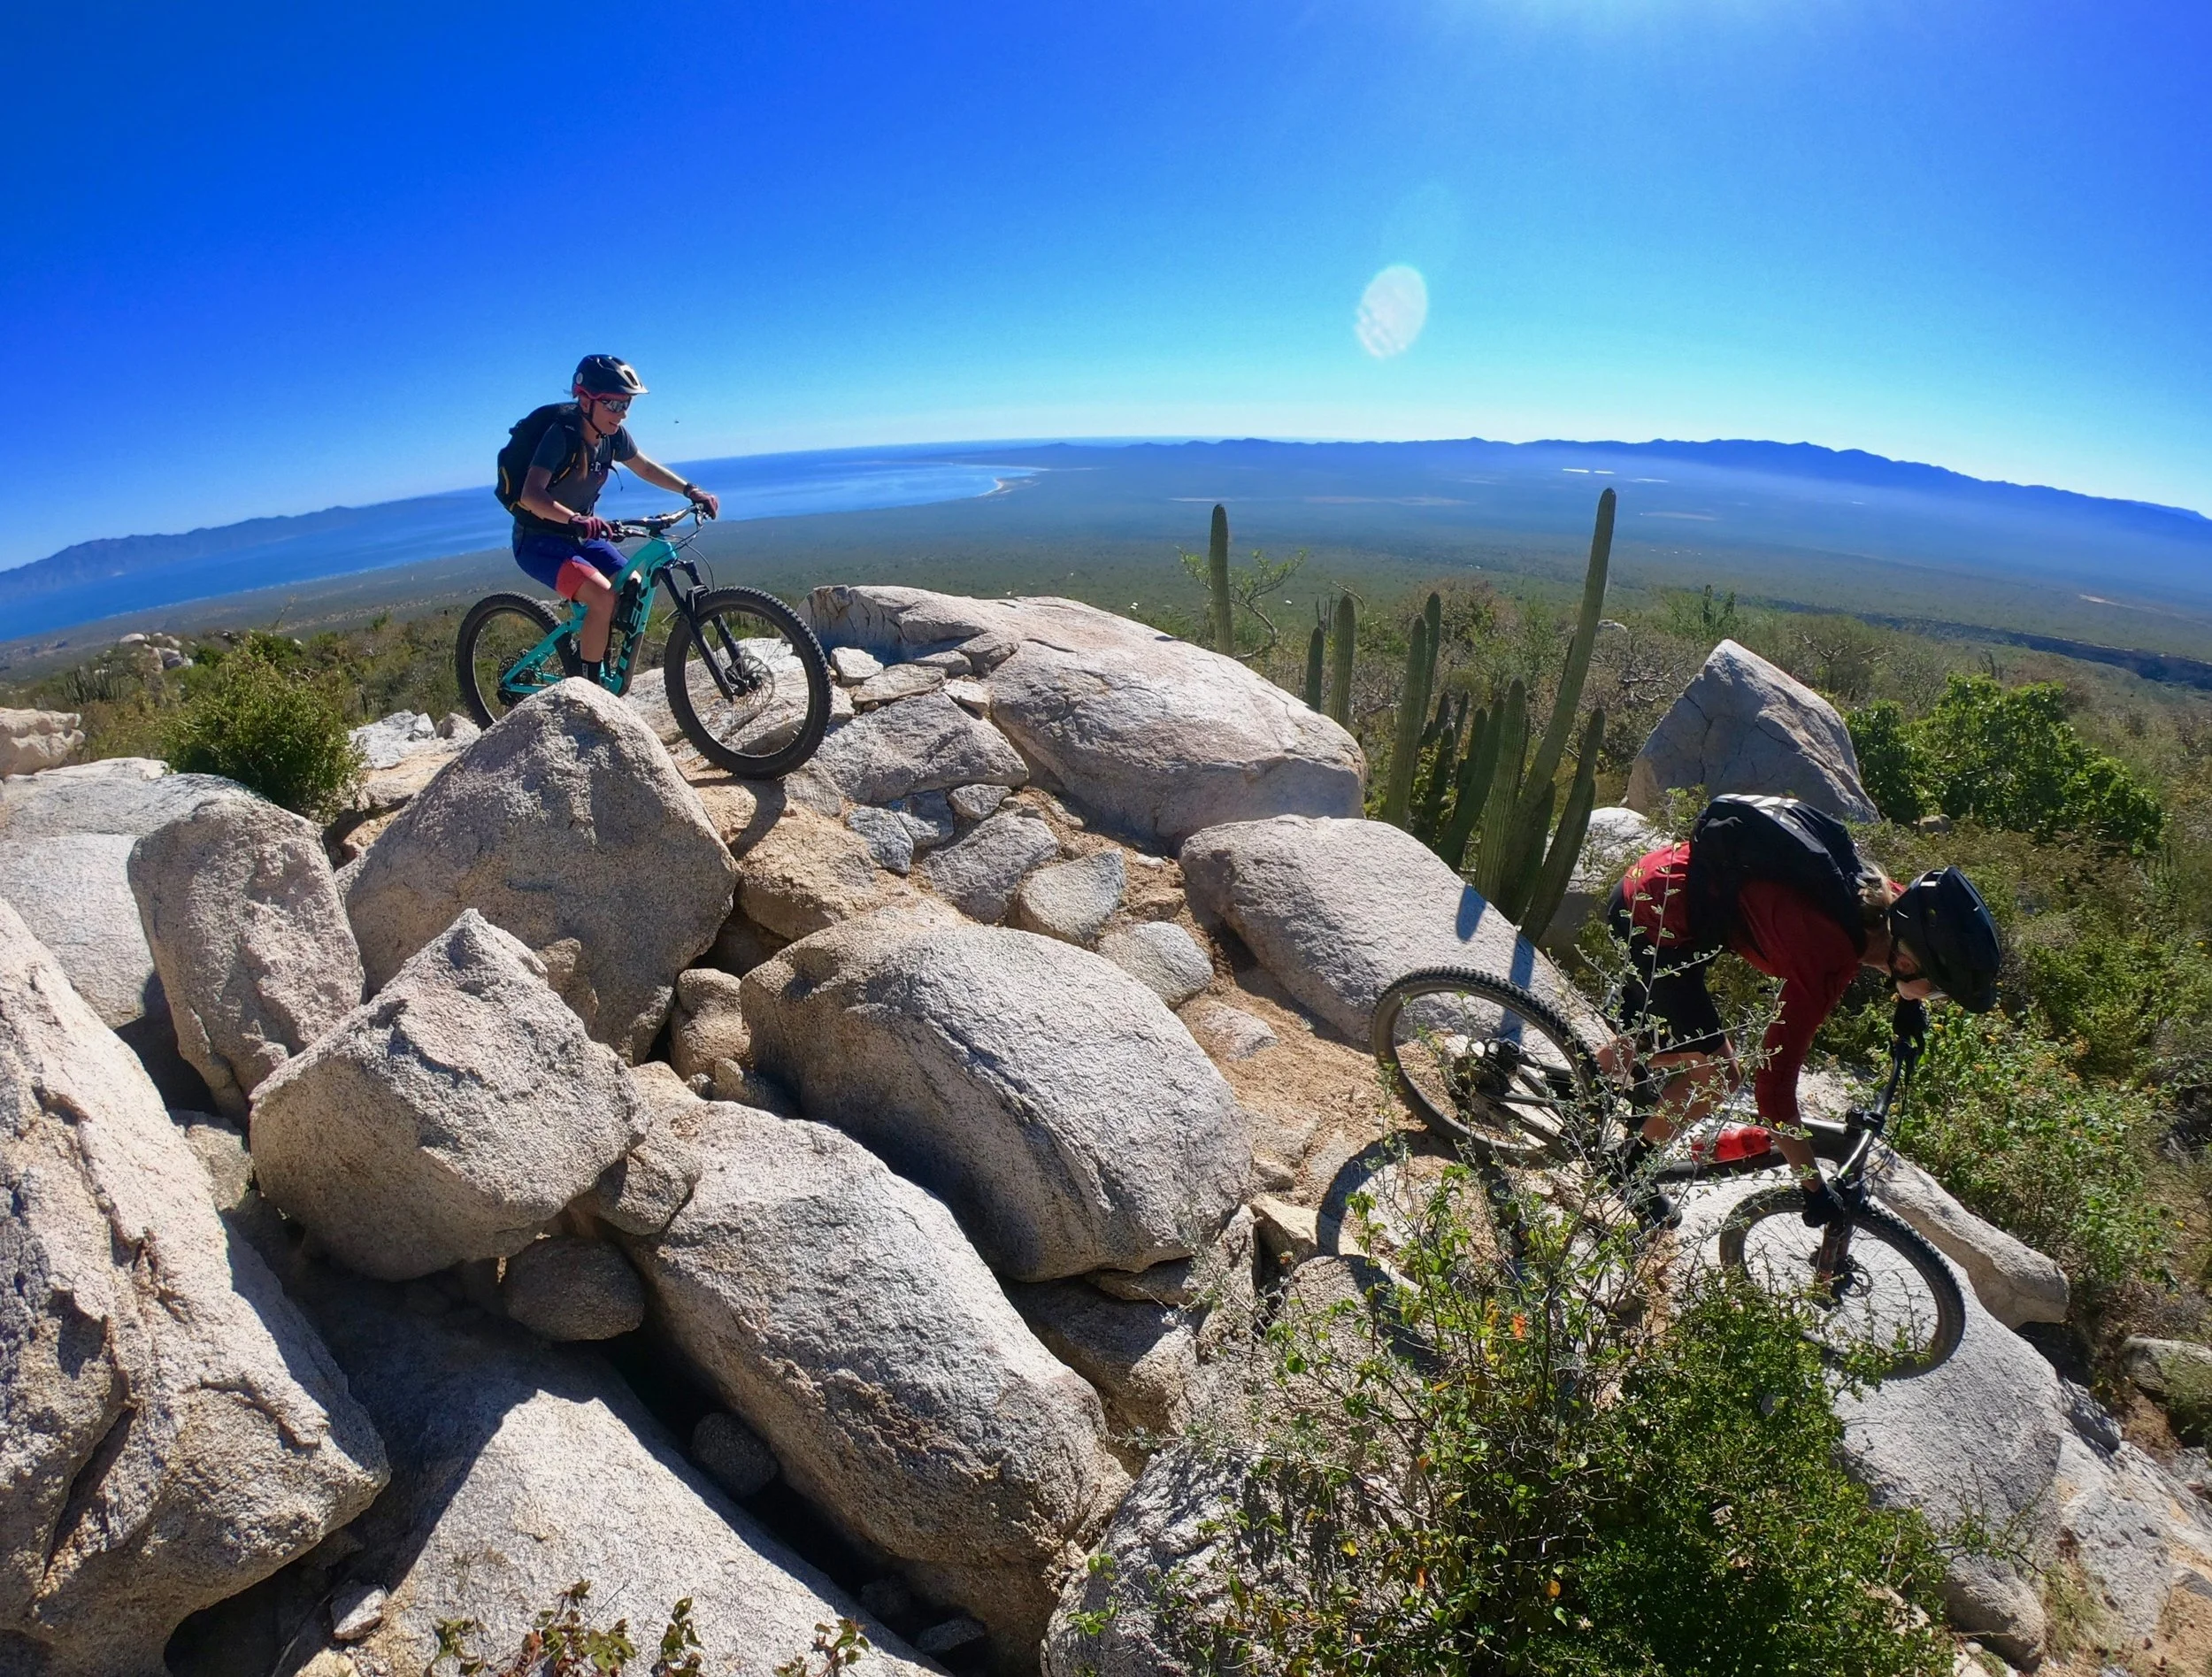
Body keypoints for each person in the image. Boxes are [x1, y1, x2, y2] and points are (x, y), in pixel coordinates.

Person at [1600, 794, 2001, 1229]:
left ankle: (1582, 1075)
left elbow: (1902, 947)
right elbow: (1772, 1098)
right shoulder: (1827, 956)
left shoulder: (1881, 900)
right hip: (1656, 918)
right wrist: (1813, 1188)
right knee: (1719, 1076)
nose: (1930, 999)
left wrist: (1906, 1000)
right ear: (1906, 961)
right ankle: (1627, 1168)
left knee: (1677, 1036)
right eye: (1935, 992)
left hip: (1666, 879)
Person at [509, 355, 720, 681]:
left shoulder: (612, 437)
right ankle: (589, 690)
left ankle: (599, 657)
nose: (621, 414)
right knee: (602, 597)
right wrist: (573, 519)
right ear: (584, 399)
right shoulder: (561, 436)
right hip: (538, 541)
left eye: (626, 405)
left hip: (582, 535)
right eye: (612, 404)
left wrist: (690, 490)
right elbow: (530, 495)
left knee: (632, 587)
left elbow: (645, 468)